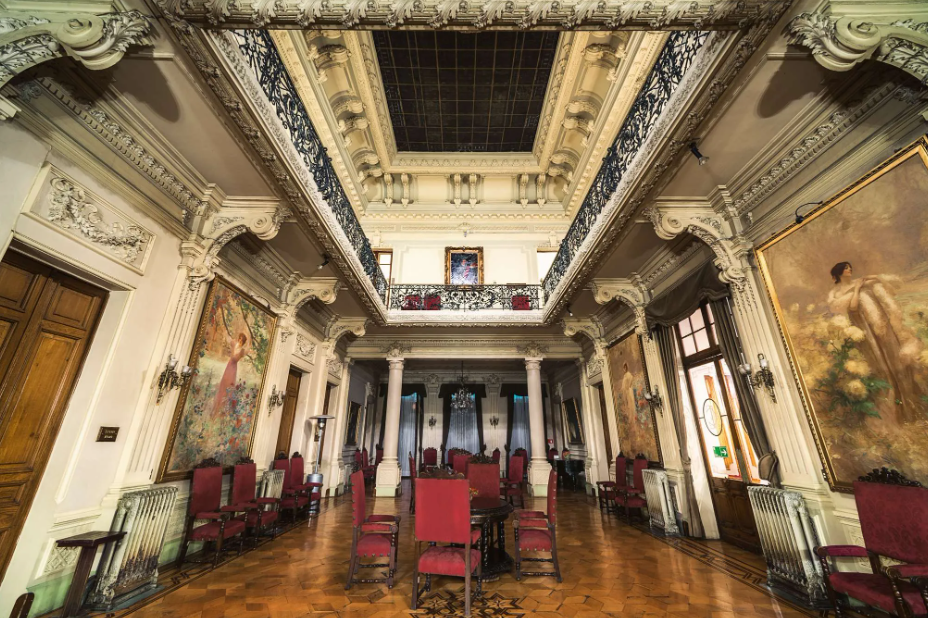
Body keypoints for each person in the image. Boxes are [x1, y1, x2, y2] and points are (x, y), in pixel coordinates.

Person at [827, 261, 924, 423]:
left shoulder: (862, 282)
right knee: (882, 369)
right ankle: (897, 414)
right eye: (845, 268)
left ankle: (912, 408)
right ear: (838, 273)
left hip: (883, 329)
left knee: (897, 363)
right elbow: (853, 306)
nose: (849, 269)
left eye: (850, 266)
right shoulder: (838, 293)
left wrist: (873, 278)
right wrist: (857, 289)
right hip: (867, 333)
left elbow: (890, 288)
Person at [215, 332, 248, 414]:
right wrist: (226, 333)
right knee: (224, 383)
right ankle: (219, 404)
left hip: (233, 368)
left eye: (242, 340)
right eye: (239, 338)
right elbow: (228, 339)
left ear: (243, 342)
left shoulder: (241, 351)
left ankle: (226, 407)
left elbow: (237, 358)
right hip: (229, 366)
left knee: (230, 385)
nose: (240, 340)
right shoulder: (235, 343)